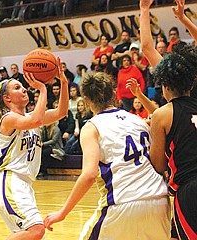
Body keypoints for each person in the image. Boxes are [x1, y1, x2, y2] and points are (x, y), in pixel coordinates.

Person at [43, 72, 170, 239]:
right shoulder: (138, 120)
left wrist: (63, 212)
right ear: (114, 94)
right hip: (159, 200)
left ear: (86, 101)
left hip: (122, 202)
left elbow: (89, 174)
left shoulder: (92, 126)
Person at [0, 57, 69, 239]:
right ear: (6, 98)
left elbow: (61, 112)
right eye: (17, 88)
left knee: (30, 235)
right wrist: (42, 89)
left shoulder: (31, 117)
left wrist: (63, 82)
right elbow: (36, 121)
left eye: (22, 86)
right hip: (11, 182)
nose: (24, 88)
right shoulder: (8, 119)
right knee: (36, 230)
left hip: (24, 184)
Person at [139, 0, 197, 238]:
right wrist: (184, 19)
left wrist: (144, 10)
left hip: (190, 188)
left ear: (163, 84)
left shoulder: (163, 115)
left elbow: (146, 48)